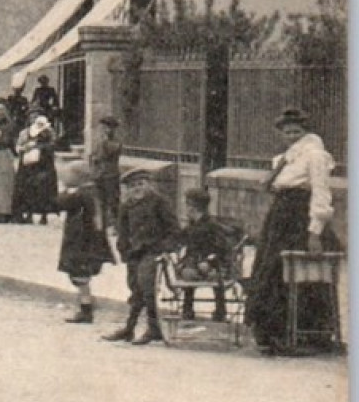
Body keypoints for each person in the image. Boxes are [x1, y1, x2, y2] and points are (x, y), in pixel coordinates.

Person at [245, 108, 342, 355]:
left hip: (300, 219)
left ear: (305, 131)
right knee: (271, 271)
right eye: (287, 132)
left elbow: (321, 193)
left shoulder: (315, 155)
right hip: (280, 219)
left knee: (295, 274)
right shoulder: (285, 158)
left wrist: (315, 232)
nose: (291, 136)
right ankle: (273, 333)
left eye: (296, 131)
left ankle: (306, 335)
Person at [103, 168, 179, 345]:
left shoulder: (160, 203)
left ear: (149, 185)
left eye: (141, 184)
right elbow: (123, 231)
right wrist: (123, 249)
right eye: (133, 186)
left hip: (153, 251)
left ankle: (150, 328)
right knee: (135, 288)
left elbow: (174, 229)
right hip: (134, 252)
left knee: (146, 287)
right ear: (127, 189)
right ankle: (131, 329)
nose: (137, 189)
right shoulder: (126, 206)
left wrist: (164, 247)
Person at [55, 160, 115, 324]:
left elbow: (59, 203)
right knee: (81, 276)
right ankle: (86, 305)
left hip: (81, 241)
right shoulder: (92, 192)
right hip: (89, 240)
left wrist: (64, 191)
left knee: (80, 275)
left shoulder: (80, 194)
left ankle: (86, 308)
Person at [174, 188, 236, 324]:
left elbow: (222, 248)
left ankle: (220, 311)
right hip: (193, 263)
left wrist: (209, 261)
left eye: (187, 205)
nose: (186, 208)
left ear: (194, 208)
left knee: (215, 276)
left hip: (213, 264)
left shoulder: (213, 226)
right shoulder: (191, 226)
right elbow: (178, 239)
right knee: (188, 274)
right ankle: (187, 309)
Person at [13, 113, 59, 225]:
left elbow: (53, 145)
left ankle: (44, 215)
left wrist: (39, 147)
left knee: (44, 190)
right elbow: (18, 146)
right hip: (28, 166)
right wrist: (24, 148)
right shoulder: (25, 132)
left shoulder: (50, 132)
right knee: (27, 189)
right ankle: (28, 213)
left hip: (44, 165)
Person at [90, 115, 123, 218]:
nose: (105, 130)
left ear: (113, 129)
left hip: (110, 175)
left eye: (108, 127)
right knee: (100, 201)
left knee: (113, 202)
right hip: (99, 174)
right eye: (104, 127)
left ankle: (117, 224)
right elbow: (93, 155)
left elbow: (105, 153)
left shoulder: (115, 142)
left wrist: (102, 143)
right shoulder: (101, 141)